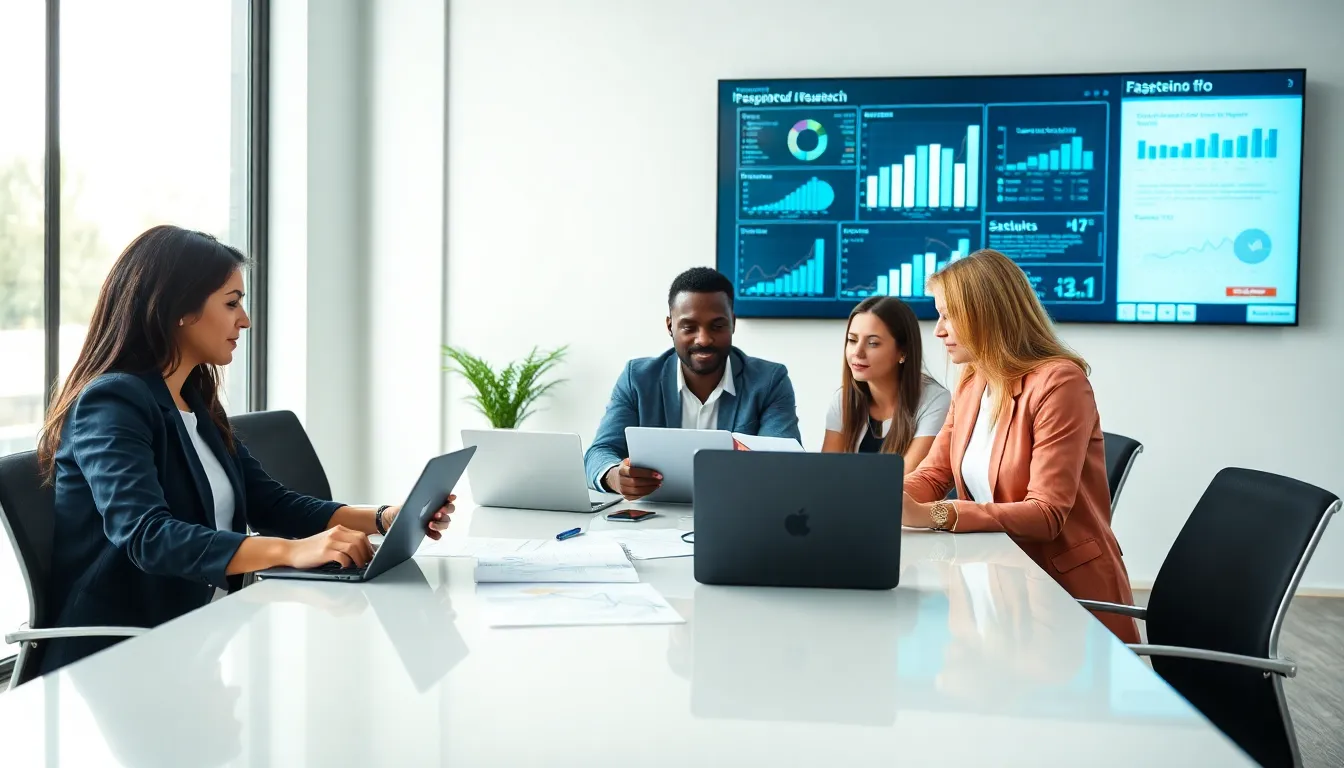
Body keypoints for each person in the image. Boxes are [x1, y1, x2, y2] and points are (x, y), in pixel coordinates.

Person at [36, 225, 454, 675]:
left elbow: (271, 503)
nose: (245, 320)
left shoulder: (193, 400)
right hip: (124, 655)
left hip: (204, 636)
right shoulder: (112, 402)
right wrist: (291, 552)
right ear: (180, 309)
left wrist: (384, 518)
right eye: (231, 303)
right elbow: (148, 536)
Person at [900, 249, 1139, 643]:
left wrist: (936, 514)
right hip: (997, 578)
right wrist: (882, 497)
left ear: (987, 313)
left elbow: (1046, 514)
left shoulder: (1060, 383)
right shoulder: (972, 382)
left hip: (1061, 595)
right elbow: (933, 474)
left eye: (948, 315)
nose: (938, 331)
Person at [584, 267, 801, 499]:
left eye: (717, 326)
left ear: (733, 323)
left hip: (737, 511)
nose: (704, 339)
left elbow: (782, 463)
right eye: (689, 327)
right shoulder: (638, 378)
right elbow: (599, 452)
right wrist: (615, 477)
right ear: (670, 326)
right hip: (654, 515)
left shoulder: (769, 381)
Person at [821, 296, 950, 471]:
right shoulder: (843, 399)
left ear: (903, 352)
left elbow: (905, 479)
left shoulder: (935, 400)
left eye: (873, 343)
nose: (857, 352)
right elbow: (826, 474)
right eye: (852, 340)